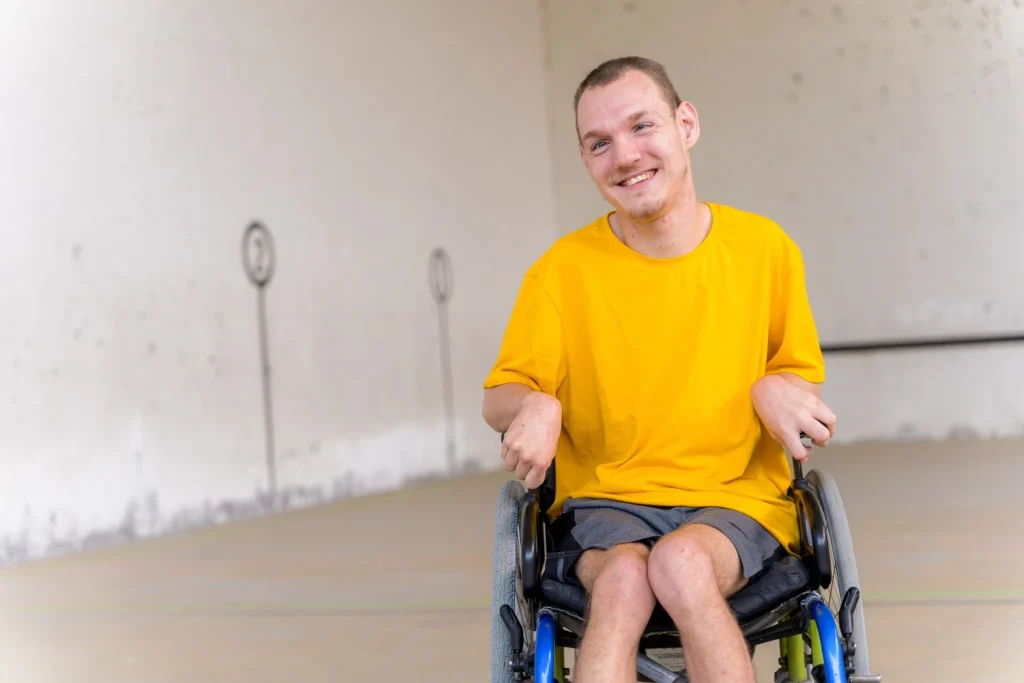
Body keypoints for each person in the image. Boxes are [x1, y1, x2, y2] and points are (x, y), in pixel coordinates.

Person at [481, 56, 836, 683]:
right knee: (622, 577)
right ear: (586, 159)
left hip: (735, 501)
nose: (625, 155)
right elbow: (499, 397)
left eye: (642, 126)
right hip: (606, 503)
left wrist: (776, 387)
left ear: (686, 124)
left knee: (680, 563)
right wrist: (536, 404)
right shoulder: (561, 273)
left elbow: (802, 388)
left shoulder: (764, 251)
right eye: (600, 143)